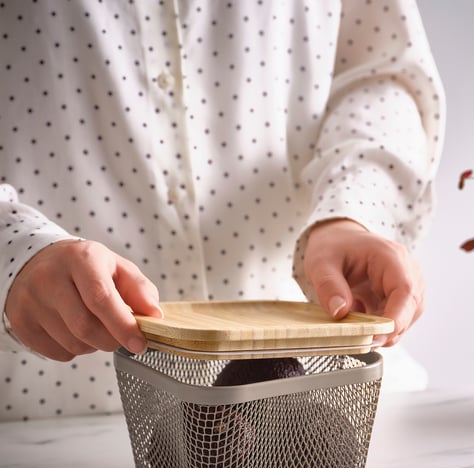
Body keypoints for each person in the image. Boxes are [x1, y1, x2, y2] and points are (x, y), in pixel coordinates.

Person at [0, 0, 445, 421]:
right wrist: (14, 252)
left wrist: (352, 210)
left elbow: (380, 74)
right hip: (49, 422)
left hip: (341, 408)